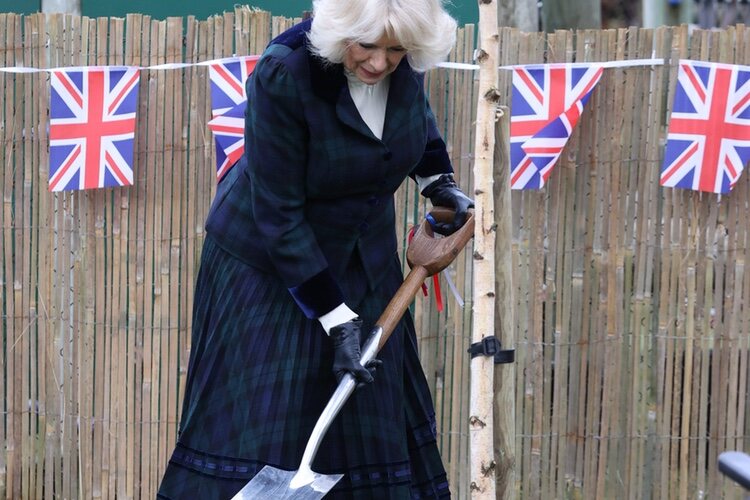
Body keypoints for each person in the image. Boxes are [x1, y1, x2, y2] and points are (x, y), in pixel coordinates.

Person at [157, 0, 473, 497]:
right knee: (271, 415)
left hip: (363, 254)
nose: (379, 63)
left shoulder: (399, 59)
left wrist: (439, 182)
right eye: (367, 46)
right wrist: (336, 319)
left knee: (368, 404)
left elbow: (416, 120)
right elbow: (279, 214)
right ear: (341, 31)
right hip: (266, 265)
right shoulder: (285, 72)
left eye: (395, 50)